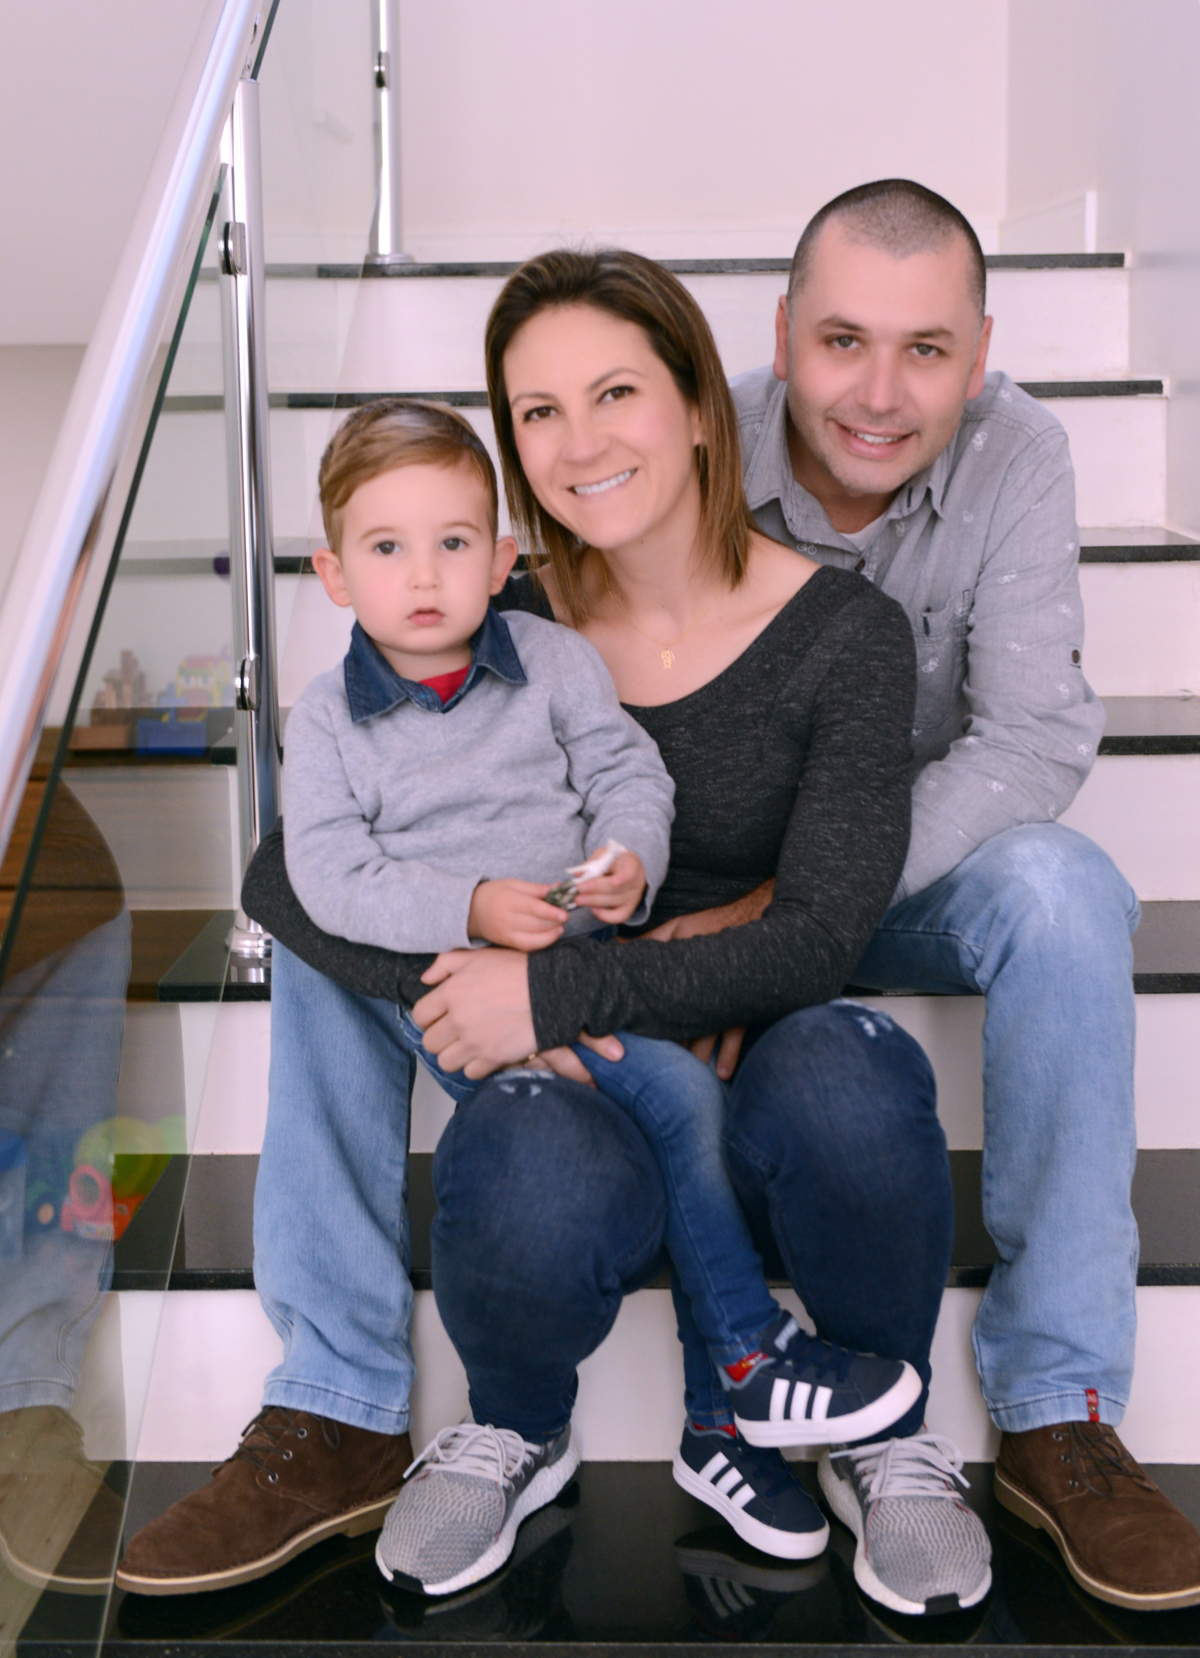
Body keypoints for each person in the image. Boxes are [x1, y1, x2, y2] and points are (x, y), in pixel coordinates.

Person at [236, 247, 989, 1618]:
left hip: (762, 1047)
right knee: (521, 1159)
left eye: (616, 393)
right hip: (579, 1082)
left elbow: (822, 930)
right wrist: (488, 979)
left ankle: (877, 1433)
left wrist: (565, 988)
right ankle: (503, 1422)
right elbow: (291, 881)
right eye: (538, 411)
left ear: (701, 404)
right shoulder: (485, 613)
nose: (578, 443)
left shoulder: (847, 633)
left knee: (859, 1074)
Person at [284, 394, 922, 1516]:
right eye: (386, 549)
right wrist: (469, 907)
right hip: (475, 1011)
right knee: (679, 1095)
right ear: (333, 574)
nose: (424, 576)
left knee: (680, 1105)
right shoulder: (327, 719)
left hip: (595, 970)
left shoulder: (553, 657)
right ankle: (742, 1360)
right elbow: (325, 878)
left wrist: (631, 855)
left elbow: (628, 772)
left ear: (503, 560)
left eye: (453, 543)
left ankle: (724, 1414)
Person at [728, 178, 1200, 1613]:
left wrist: (808, 899)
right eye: (842, 342)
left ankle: (1058, 1410)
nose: (880, 394)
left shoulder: (1021, 451)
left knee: (1068, 890)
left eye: (925, 349)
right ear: (783, 336)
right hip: (719, 881)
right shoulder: (693, 439)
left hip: (898, 864)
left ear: (979, 354)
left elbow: (1036, 737)